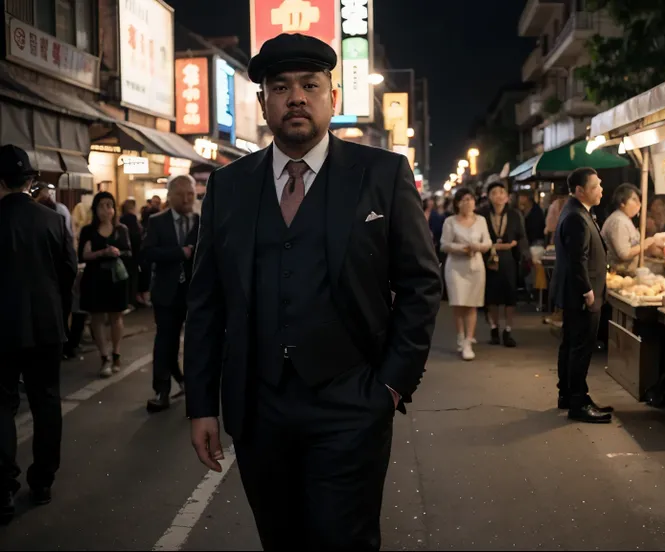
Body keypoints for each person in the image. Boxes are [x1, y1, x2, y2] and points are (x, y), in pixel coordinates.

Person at [183, 33, 442, 551]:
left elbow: (420, 283)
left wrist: (391, 384)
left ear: (333, 97)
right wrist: (201, 404)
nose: (295, 97)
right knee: (279, 538)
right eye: (280, 87)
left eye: (310, 84)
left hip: (351, 399)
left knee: (344, 538)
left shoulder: (382, 175)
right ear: (263, 104)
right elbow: (207, 301)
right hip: (258, 407)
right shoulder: (229, 186)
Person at [0, 145, 77, 520]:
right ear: (28, 181)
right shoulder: (52, 220)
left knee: (1, 406)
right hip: (46, 326)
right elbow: (68, 272)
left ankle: (3, 488)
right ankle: (43, 481)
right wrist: (60, 315)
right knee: (46, 402)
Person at [552, 167, 613, 424]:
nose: (601, 190)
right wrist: (588, 291)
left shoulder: (578, 212)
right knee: (580, 348)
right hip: (582, 295)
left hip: (577, 292)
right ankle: (578, 402)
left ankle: (568, 394)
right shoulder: (576, 216)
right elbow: (578, 259)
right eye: (596, 186)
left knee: (571, 345)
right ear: (580, 190)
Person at [142, 175, 199, 412]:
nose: (187, 199)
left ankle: (195, 388)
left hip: (195, 294)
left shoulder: (202, 222)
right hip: (166, 293)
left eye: (191, 194)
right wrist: (179, 253)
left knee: (197, 343)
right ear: (171, 196)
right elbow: (147, 253)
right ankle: (161, 390)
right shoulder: (157, 222)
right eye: (182, 194)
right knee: (166, 341)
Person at [78, 192, 132, 378]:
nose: (106, 210)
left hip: (116, 279)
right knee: (97, 318)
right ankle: (104, 357)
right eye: (101, 205)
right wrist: (102, 252)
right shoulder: (88, 230)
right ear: (95, 208)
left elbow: (129, 253)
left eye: (109, 205)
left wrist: (117, 252)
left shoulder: (121, 229)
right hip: (95, 279)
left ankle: (116, 353)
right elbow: (82, 256)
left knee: (116, 317)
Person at [440, 187, 491, 360]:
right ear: (457, 203)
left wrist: (479, 247)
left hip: (475, 266)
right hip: (455, 266)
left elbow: (488, 242)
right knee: (458, 303)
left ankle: (469, 340)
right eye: (463, 199)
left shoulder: (481, 220)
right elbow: (444, 244)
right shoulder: (450, 222)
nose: (467, 202)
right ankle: (460, 336)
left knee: (472, 304)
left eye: (470, 199)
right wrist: (462, 248)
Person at [478, 182, 527, 348]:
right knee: (491, 295)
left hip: (509, 259)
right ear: (489, 196)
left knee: (509, 296)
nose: (498, 195)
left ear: (507, 197)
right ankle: (494, 328)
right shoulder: (482, 215)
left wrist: (520, 253)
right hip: (488, 258)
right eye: (494, 193)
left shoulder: (514, 214)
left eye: (501, 192)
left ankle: (508, 330)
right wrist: (494, 246)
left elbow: (521, 237)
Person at [600, 184, 661, 274]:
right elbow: (624, 254)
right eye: (634, 200)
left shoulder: (625, 219)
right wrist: (645, 244)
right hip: (618, 274)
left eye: (639, 201)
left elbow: (635, 247)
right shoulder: (618, 221)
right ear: (622, 202)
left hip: (629, 271)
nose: (639, 204)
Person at [119, 199, 143, 307]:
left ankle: (127, 300)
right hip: (134, 252)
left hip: (124, 253)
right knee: (133, 277)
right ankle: (132, 300)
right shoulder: (132, 218)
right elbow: (136, 236)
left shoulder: (120, 219)